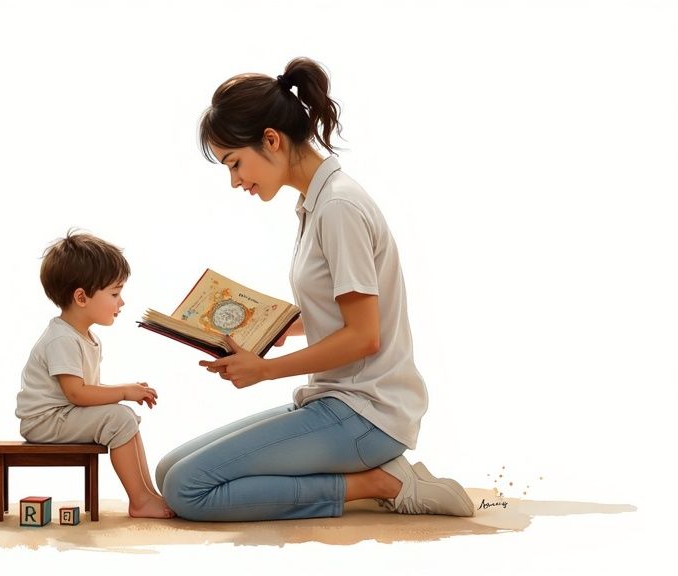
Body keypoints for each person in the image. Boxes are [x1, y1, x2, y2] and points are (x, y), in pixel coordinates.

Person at [154, 57, 474, 521]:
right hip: (337, 403)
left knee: (189, 489)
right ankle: (367, 476)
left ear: (271, 140)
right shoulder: (315, 203)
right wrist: (277, 330)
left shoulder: (338, 207)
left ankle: (380, 482)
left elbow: (365, 336)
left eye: (235, 163)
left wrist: (265, 370)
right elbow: (346, 313)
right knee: (169, 471)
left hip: (368, 414)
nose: (235, 180)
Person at [16, 230, 174, 519]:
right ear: (81, 297)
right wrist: (124, 391)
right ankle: (139, 500)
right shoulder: (61, 339)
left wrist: (124, 390)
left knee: (123, 418)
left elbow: (88, 389)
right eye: (115, 293)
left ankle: (148, 494)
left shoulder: (85, 337)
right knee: (119, 417)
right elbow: (76, 393)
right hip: (46, 421)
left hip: (63, 414)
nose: (121, 302)